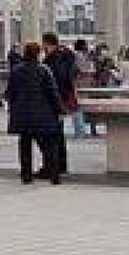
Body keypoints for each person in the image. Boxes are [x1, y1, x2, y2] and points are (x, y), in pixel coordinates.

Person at [6, 42, 62, 185]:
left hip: (22, 115)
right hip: (42, 114)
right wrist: (59, 110)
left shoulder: (16, 70)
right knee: (48, 146)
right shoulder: (44, 70)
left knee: (25, 145)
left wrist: (13, 109)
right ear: (37, 53)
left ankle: (26, 175)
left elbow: (10, 93)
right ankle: (54, 175)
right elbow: (53, 92)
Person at [41, 33, 75, 176]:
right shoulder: (64, 58)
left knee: (50, 136)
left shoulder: (52, 61)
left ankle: (52, 167)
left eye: (44, 44)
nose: (43, 47)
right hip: (60, 100)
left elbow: (54, 83)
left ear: (48, 44)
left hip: (53, 102)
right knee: (58, 135)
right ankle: (60, 165)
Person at [70, 39, 94, 139]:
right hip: (80, 84)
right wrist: (89, 72)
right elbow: (81, 70)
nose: (87, 47)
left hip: (83, 84)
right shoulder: (78, 56)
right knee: (78, 107)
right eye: (85, 45)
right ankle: (80, 131)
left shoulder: (83, 56)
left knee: (80, 107)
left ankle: (82, 130)